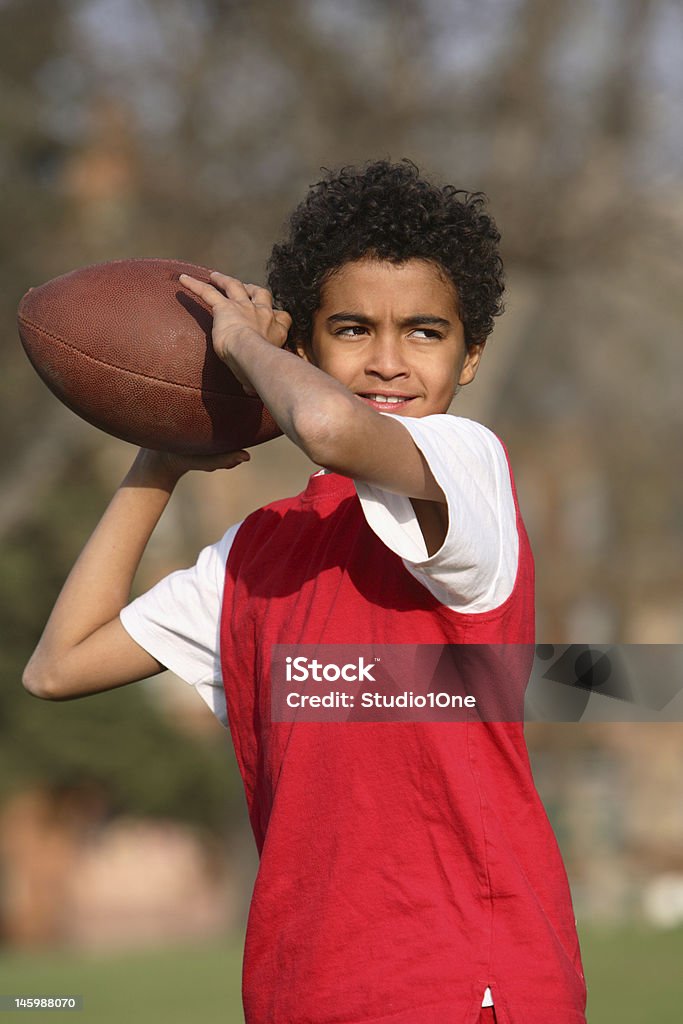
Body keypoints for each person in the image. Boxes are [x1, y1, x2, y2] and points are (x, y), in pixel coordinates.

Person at [23, 160, 588, 1024]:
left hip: (466, 981)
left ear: (471, 356)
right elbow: (57, 666)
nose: (389, 362)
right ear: (310, 349)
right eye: (354, 330)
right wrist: (159, 457)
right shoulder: (255, 553)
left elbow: (327, 426)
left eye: (427, 333)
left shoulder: (467, 470)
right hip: (302, 987)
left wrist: (241, 348)